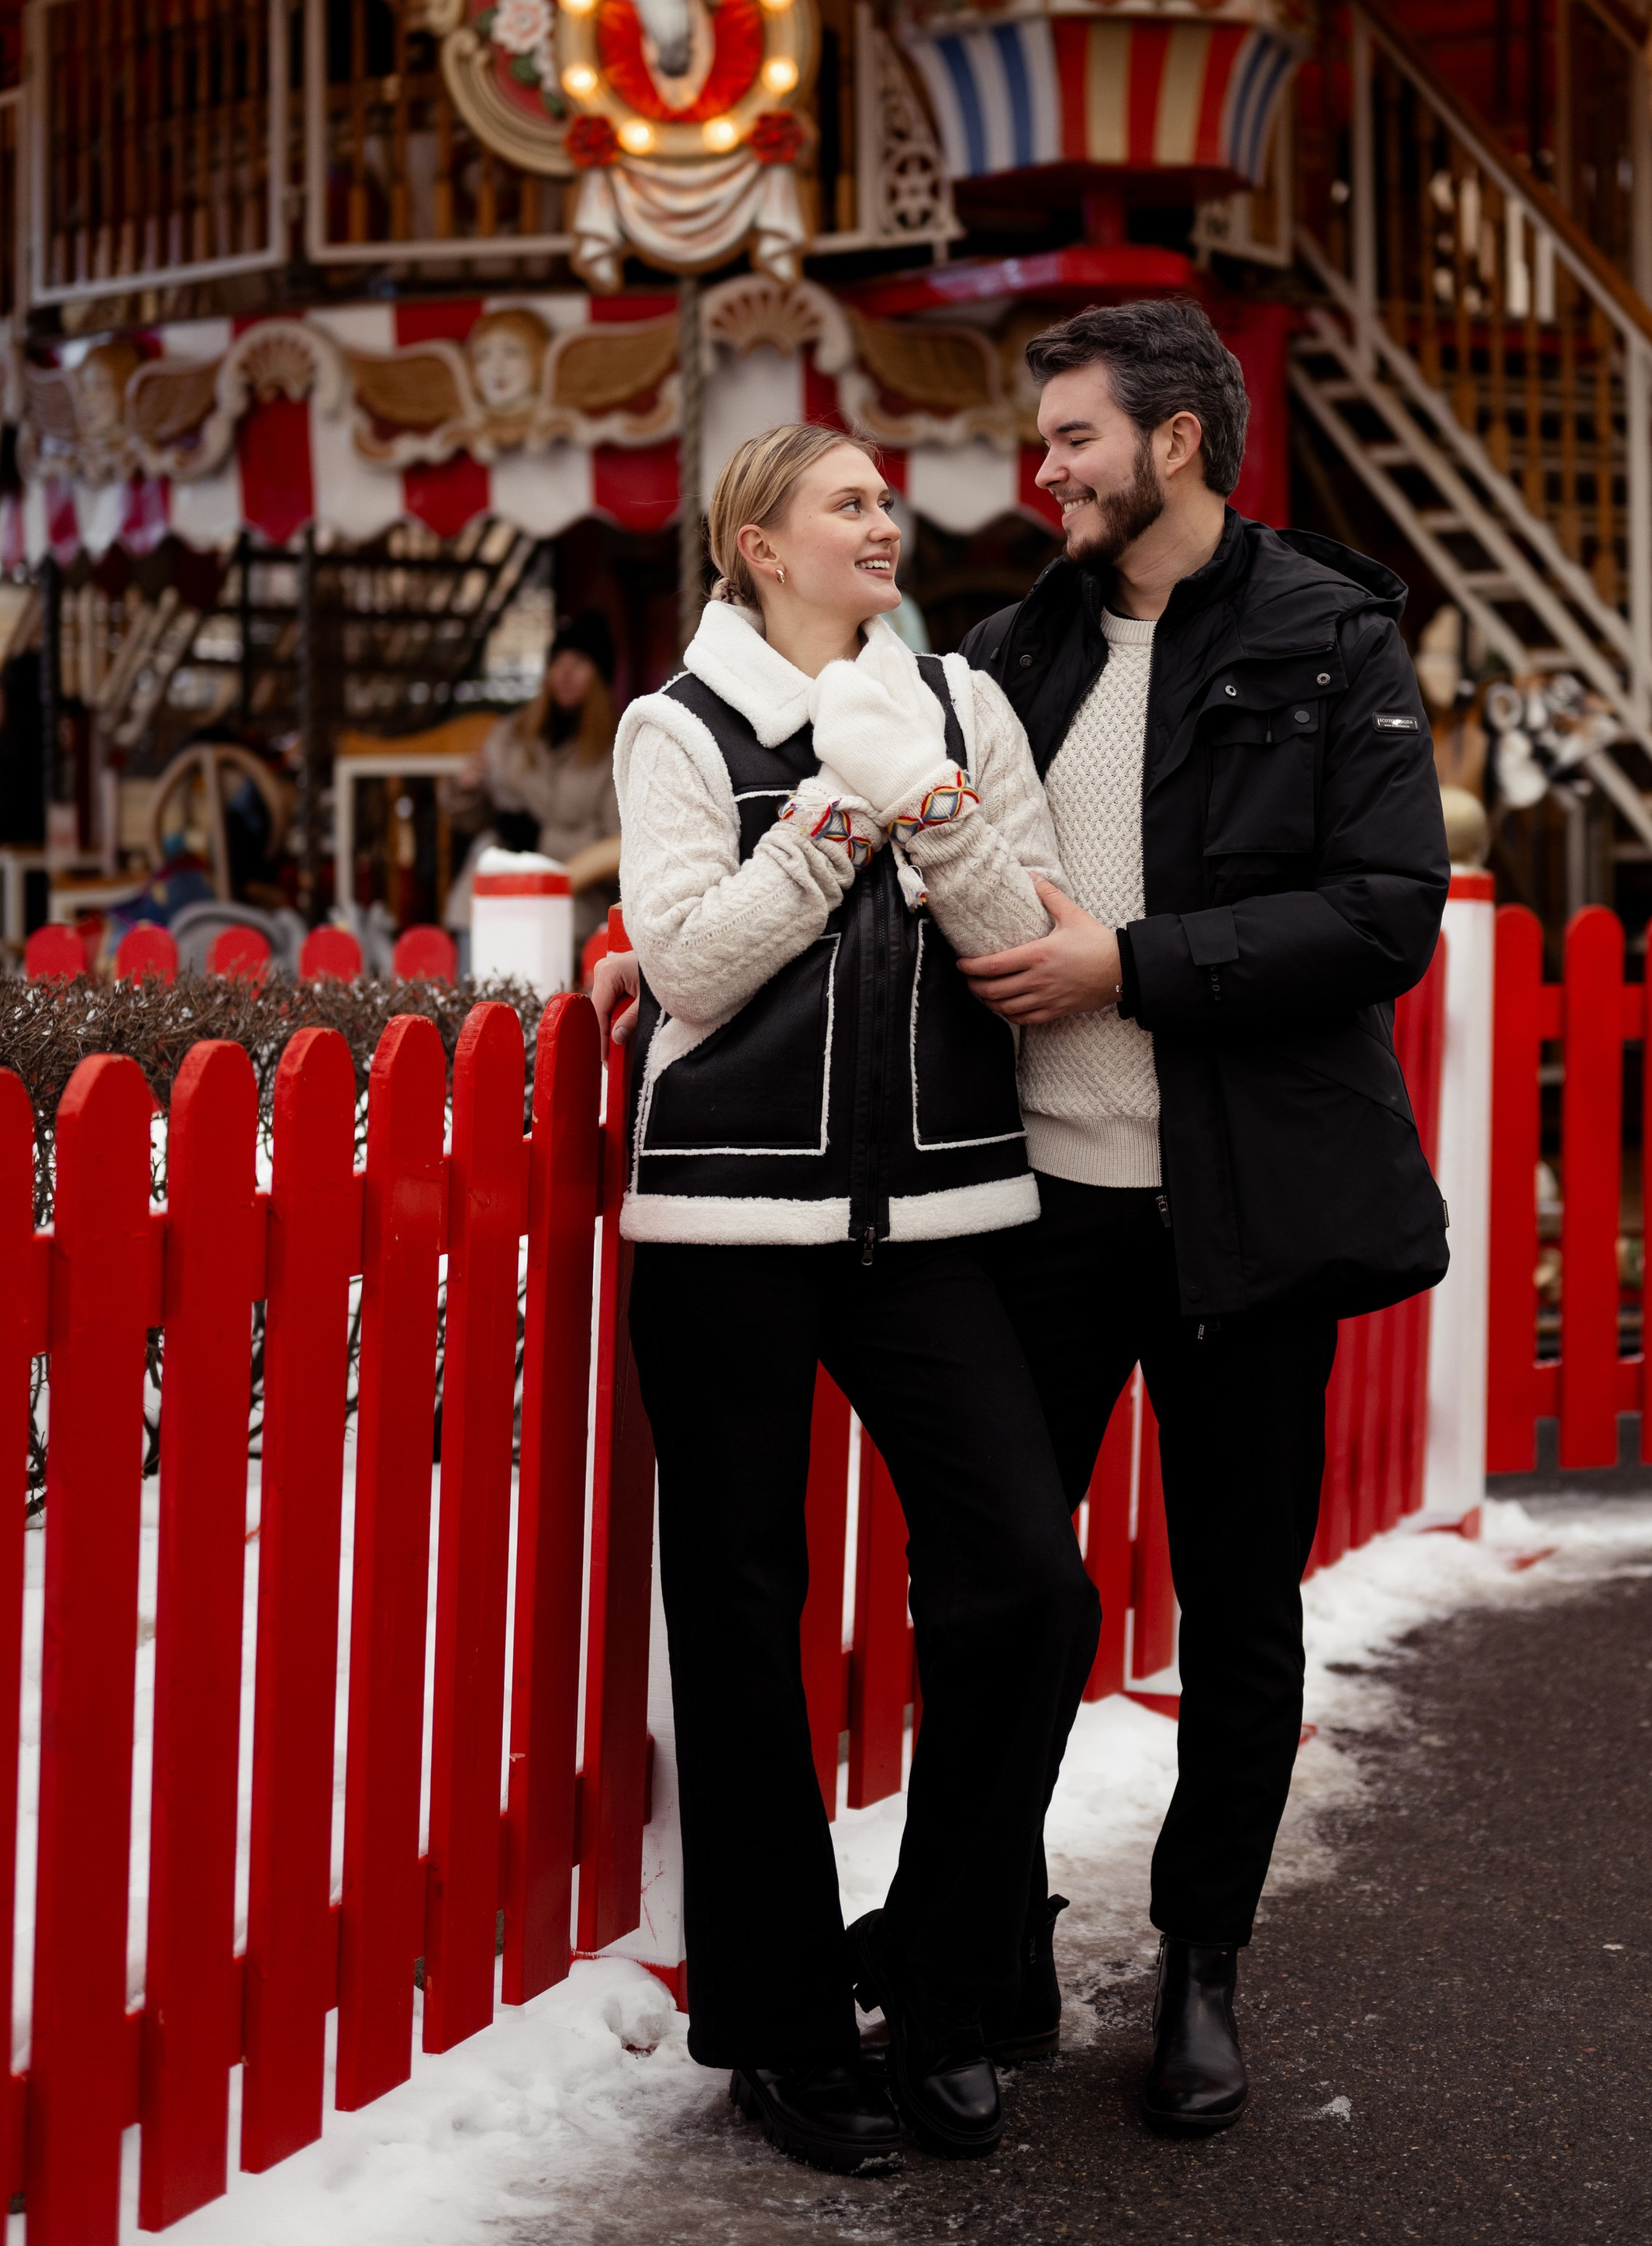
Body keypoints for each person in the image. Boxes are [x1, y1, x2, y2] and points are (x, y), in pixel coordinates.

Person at [952, 296, 1450, 2136]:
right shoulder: (1010, 648)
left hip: (1241, 1212)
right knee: (996, 1588)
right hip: (1039, 1211)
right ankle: (990, 1926)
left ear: (1169, 439)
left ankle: (1196, 1962)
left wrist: (1129, 962)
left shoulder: (1330, 635)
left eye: (1070, 433)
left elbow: (1385, 908)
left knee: (1238, 1605)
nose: (1044, 464)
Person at [609, 420, 1098, 2176]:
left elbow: (1027, 940)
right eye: (846, 503)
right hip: (727, 1230)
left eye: (886, 500)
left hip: (945, 1207)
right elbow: (687, 967)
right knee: (741, 1629)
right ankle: (783, 2029)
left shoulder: (957, 702)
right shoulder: (677, 723)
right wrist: (830, 814)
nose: (883, 522)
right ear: (755, 544)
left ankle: (946, 1979)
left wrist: (927, 790)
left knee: (1028, 1586)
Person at [447, 609, 622, 944]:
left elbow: (616, 848)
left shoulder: (615, 751)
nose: (565, 673)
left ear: (600, 676)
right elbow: (474, 821)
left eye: (579, 664)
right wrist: (466, 793)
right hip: (492, 889)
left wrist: (541, 839)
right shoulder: (510, 735)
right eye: (558, 662)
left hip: (571, 904)